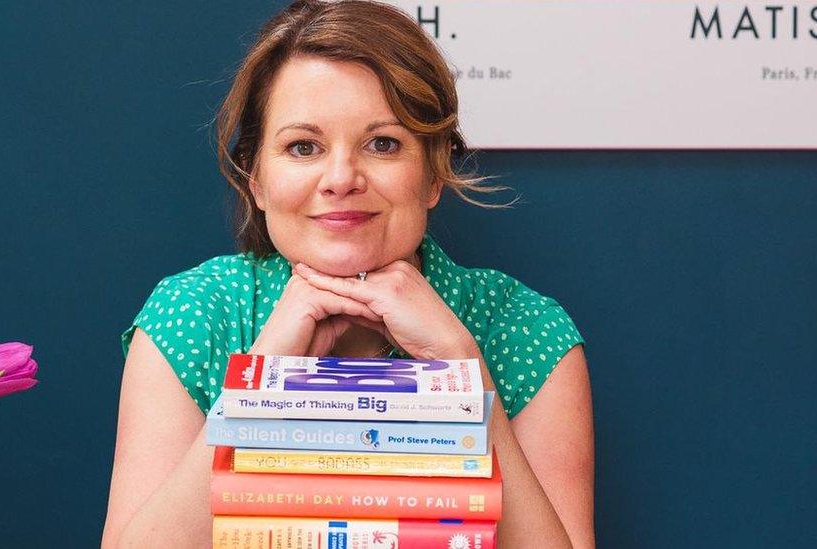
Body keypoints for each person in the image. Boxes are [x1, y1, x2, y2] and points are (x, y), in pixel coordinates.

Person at [102, 1, 594, 547]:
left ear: (434, 172)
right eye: (302, 147)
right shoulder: (194, 314)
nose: (341, 178)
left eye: (382, 143)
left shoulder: (524, 328)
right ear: (256, 180)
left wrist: (465, 375)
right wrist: (258, 390)